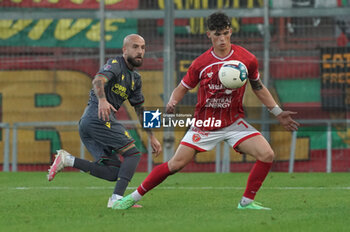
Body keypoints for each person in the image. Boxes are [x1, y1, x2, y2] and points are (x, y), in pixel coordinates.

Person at [113, 12, 299, 210]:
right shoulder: (201, 63)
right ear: (208, 34)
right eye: (217, 34)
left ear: (231, 32)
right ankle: (131, 198)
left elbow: (258, 87)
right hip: (205, 125)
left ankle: (246, 203)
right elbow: (183, 86)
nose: (222, 39)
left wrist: (278, 113)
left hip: (233, 122)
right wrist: (173, 100)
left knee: (267, 154)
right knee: (175, 165)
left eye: (226, 34)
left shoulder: (247, 59)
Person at [47, 34, 162, 208]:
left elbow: (140, 109)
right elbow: (98, 80)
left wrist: (152, 137)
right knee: (133, 153)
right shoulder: (116, 64)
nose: (140, 51)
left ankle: (68, 160)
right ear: (124, 50)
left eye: (143, 47)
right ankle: (116, 199)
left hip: (91, 124)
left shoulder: (135, 79)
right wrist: (102, 100)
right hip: (96, 118)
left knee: (113, 172)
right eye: (135, 47)